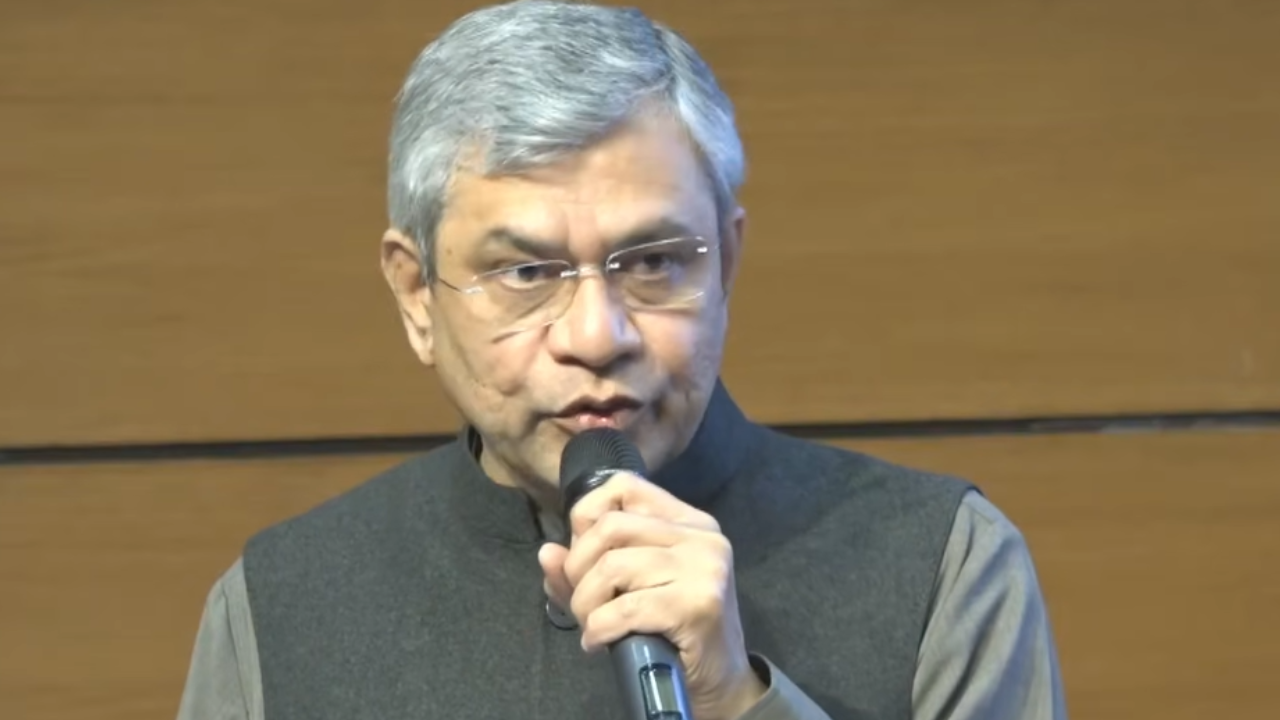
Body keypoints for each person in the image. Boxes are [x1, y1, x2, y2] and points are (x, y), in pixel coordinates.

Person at [176, 2, 1067, 719]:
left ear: (725, 262)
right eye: (526, 273)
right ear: (417, 294)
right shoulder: (279, 606)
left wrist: (738, 701)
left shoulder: (942, 562)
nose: (598, 335)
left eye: (652, 263)